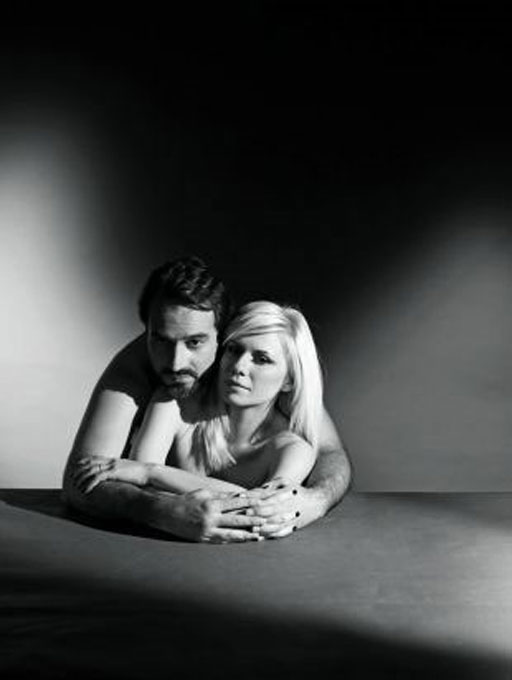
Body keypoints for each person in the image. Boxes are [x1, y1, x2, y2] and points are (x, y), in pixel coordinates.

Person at [62, 257, 351, 542]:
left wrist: (315, 501)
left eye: (195, 342)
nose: (175, 364)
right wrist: (161, 511)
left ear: (222, 336)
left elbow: (329, 453)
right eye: (160, 340)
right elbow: (82, 480)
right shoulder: (144, 377)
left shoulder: (275, 368)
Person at [73, 301, 324, 525]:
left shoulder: (294, 448)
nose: (239, 366)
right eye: (234, 349)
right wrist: (145, 474)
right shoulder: (174, 404)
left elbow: (262, 509)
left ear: (289, 380)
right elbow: (138, 489)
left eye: (261, 359)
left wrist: (152, 472)